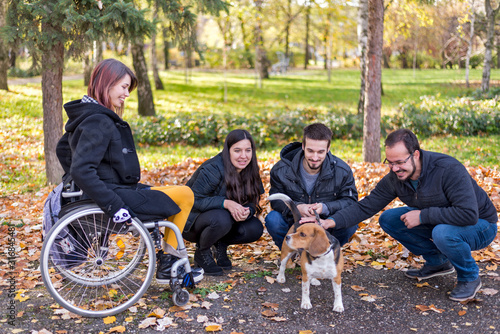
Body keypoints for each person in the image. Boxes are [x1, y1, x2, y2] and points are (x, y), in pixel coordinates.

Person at [302, 129, 498, 301]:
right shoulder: (396, 178)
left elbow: (468, 214)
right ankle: (438, 263)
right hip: (441, 221)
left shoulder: (448, 169)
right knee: (389, 219)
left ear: (416, 155)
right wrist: (330, 222)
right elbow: (366, 206)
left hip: (481, 225)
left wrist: (422, 216)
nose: (395, 168)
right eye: (390, 162)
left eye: (400, 162)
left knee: (443, 233)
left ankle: (469, 277)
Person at [56, 58, 203, 284]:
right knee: (186, 195)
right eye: (123, 87)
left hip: (114, 189)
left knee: (178, 190)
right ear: (107, 83)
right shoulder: (98, 121)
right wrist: (114, 205)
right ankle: (169, 263)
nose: (126, 94)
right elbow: (82, 169)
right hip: (113, 198)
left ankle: (169, 259)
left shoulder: (87, 116)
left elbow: (63, 149)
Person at [183, 129, 264, 276]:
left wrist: (248, 211)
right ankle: (202, 252)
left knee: (255, 227)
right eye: (237, 150)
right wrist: (226, 203)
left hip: (221, 221)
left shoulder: (251, 168)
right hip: (192, 222)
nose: (243, 156)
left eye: (248, 150)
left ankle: (220, 244)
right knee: (223, 218)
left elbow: (253, 201)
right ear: (228, 151)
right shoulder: (213, 168)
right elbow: (193, 200)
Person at [265, 123, 359, 249]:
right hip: (294, 224)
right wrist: (297, 207)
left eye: (320, 152)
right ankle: (290, 253)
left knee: (351, 221)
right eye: (310, 151)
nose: (315, 157)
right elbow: (276, 200)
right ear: (303, 146)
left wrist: (325, 208)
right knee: (273, 219)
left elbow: (350, 201)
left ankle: (328, 251)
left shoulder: (342, 170)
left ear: (328, 148)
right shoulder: (281, 169)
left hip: (325, 224)